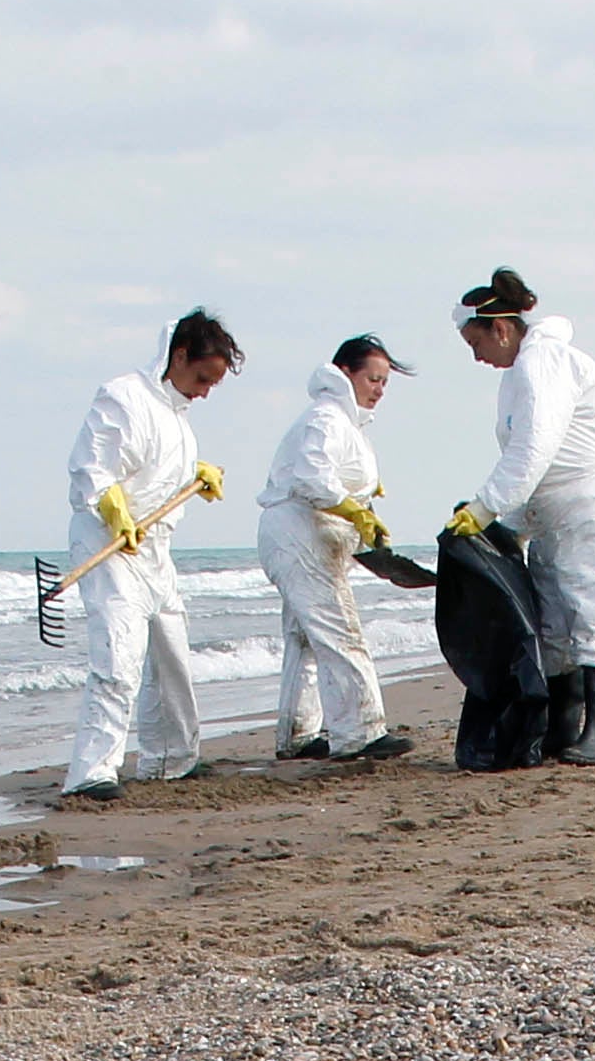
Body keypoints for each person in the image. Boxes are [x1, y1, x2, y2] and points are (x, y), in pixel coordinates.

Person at [445, 269, 595, 765]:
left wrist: (486, 507)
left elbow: (534, 449)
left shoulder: (545, 362)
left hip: (588, 507)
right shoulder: (521, 375)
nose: (476, 355)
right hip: (552, 514)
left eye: (475, 341)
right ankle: (561, 729)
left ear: (501, 329)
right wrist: (510, 526)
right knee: (553, 625)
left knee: (591, 612)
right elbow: (532, 462)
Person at [58, 310, 236, 801]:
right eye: (202, 378)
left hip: (155, 550)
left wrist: (195, 476)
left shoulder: (180, 421)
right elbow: (92, 468)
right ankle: (91, 772)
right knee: (119, 656)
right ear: (179, 356)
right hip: (109, 544)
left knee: (172, 655)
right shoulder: (123, 396)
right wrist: (112, 507)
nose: (204, 391)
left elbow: (160, 471)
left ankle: (171, 761)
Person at [256, 336, 412, 762]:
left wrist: (361, 498)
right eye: (373, 379)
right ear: (345, 373)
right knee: (340, 630)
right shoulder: (327, 418)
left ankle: (298, 735)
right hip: (300, 534)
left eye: (384, 383)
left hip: (304, 535)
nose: (379, 389)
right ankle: (359, 733)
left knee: (306, 638)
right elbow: (312, 478)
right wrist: (353, 509)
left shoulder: (345, 424)